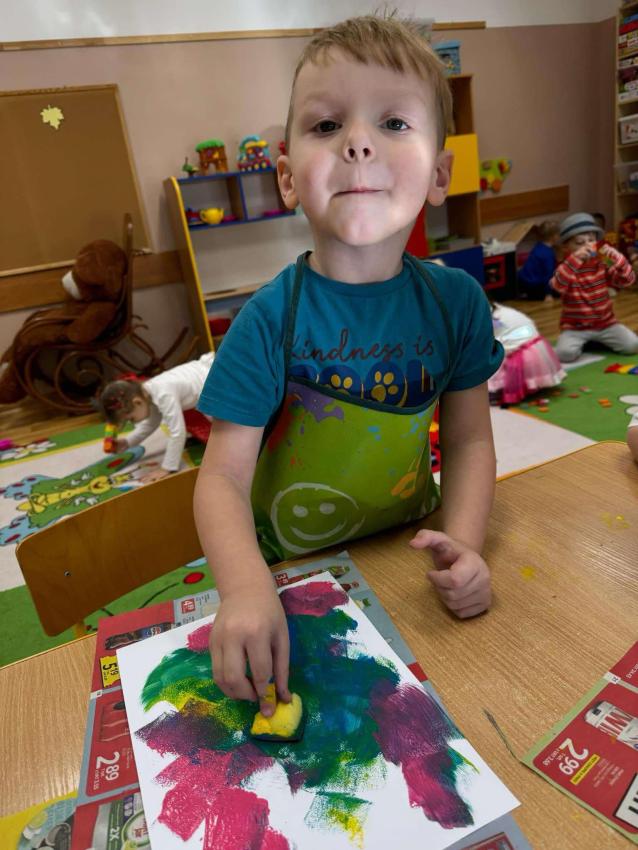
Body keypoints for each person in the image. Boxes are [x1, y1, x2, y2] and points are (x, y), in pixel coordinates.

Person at [193, 15, 504, 716]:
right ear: (287, 178)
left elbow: (468, 441)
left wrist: (463, 545)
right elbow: (221, 478)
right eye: (328, 125)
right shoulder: (268, 319)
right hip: (286, 574)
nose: (358, 142)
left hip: (407, 554)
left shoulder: (456, 302)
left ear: (440, 175)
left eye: (393, 123)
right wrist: (244, 588)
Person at [96, 351, 214, 482]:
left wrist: (167, 468)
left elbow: (177, 433)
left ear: (137, 402)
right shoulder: (147, 392)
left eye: (131, 419)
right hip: (203, 382)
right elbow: (151, 423)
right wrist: (128, 442)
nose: (132, 422)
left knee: (220, 431)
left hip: (214, 382)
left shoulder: (163, 395)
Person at [551, 212, 638, 363]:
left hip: (606, 324)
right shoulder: (567, 266)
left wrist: (619, 260)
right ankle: (587, 342)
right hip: (575, 328)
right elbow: (557, 285)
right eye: (579, 242)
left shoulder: (602, 262)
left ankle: (595, 342)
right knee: (565, 354)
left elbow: (628, 280)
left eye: (591, 240)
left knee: (633, 346)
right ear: (566, 247)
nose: (587, 246)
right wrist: (575, 259)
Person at [488, 302, 565, 404]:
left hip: (520, 357)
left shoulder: (485, 318)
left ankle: (509, 387)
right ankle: (534, 383)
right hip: (538, 350)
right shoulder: (500, 310)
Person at [517, 220, 560, 302]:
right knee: (560, 291)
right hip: (534, 286)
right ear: (553, 237)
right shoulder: (548, 254)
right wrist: (548, 294)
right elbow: (548, 275)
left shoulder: (538, 246)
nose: (559, 236)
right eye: (558, 234)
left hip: (523, 281)